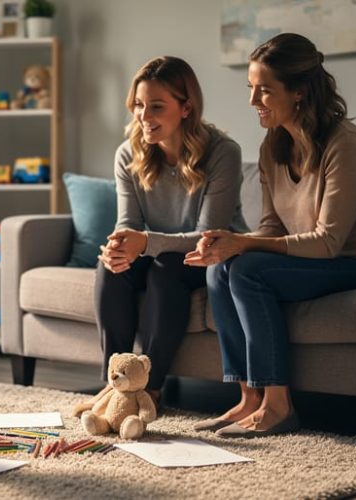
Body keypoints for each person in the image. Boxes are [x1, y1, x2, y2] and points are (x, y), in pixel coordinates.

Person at [185, 33, 356, 437]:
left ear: (300, 91)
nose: (253, 102)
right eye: (251, 89)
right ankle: (249, 398)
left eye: (264, 91)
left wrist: (245, 243)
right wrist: (227, 243)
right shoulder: (274, 146)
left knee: (248, 268)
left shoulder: (346, 144)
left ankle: (279, 406)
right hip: (314, 261)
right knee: (221, 268)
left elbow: (328, 241)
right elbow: (272, 228)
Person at [92, 56, 247, 410]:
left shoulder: (224, 153)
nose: (144, 117)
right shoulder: (128, 153)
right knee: (111, 269)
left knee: (165, 271)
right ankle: (114, 385)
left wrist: (145, 243)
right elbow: (127, 223)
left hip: (210, 255)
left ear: (186, 108)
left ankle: (151, 387)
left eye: (157, 107)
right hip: (156, 250)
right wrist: (119, 246)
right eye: (139, 106)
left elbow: (209, 234)